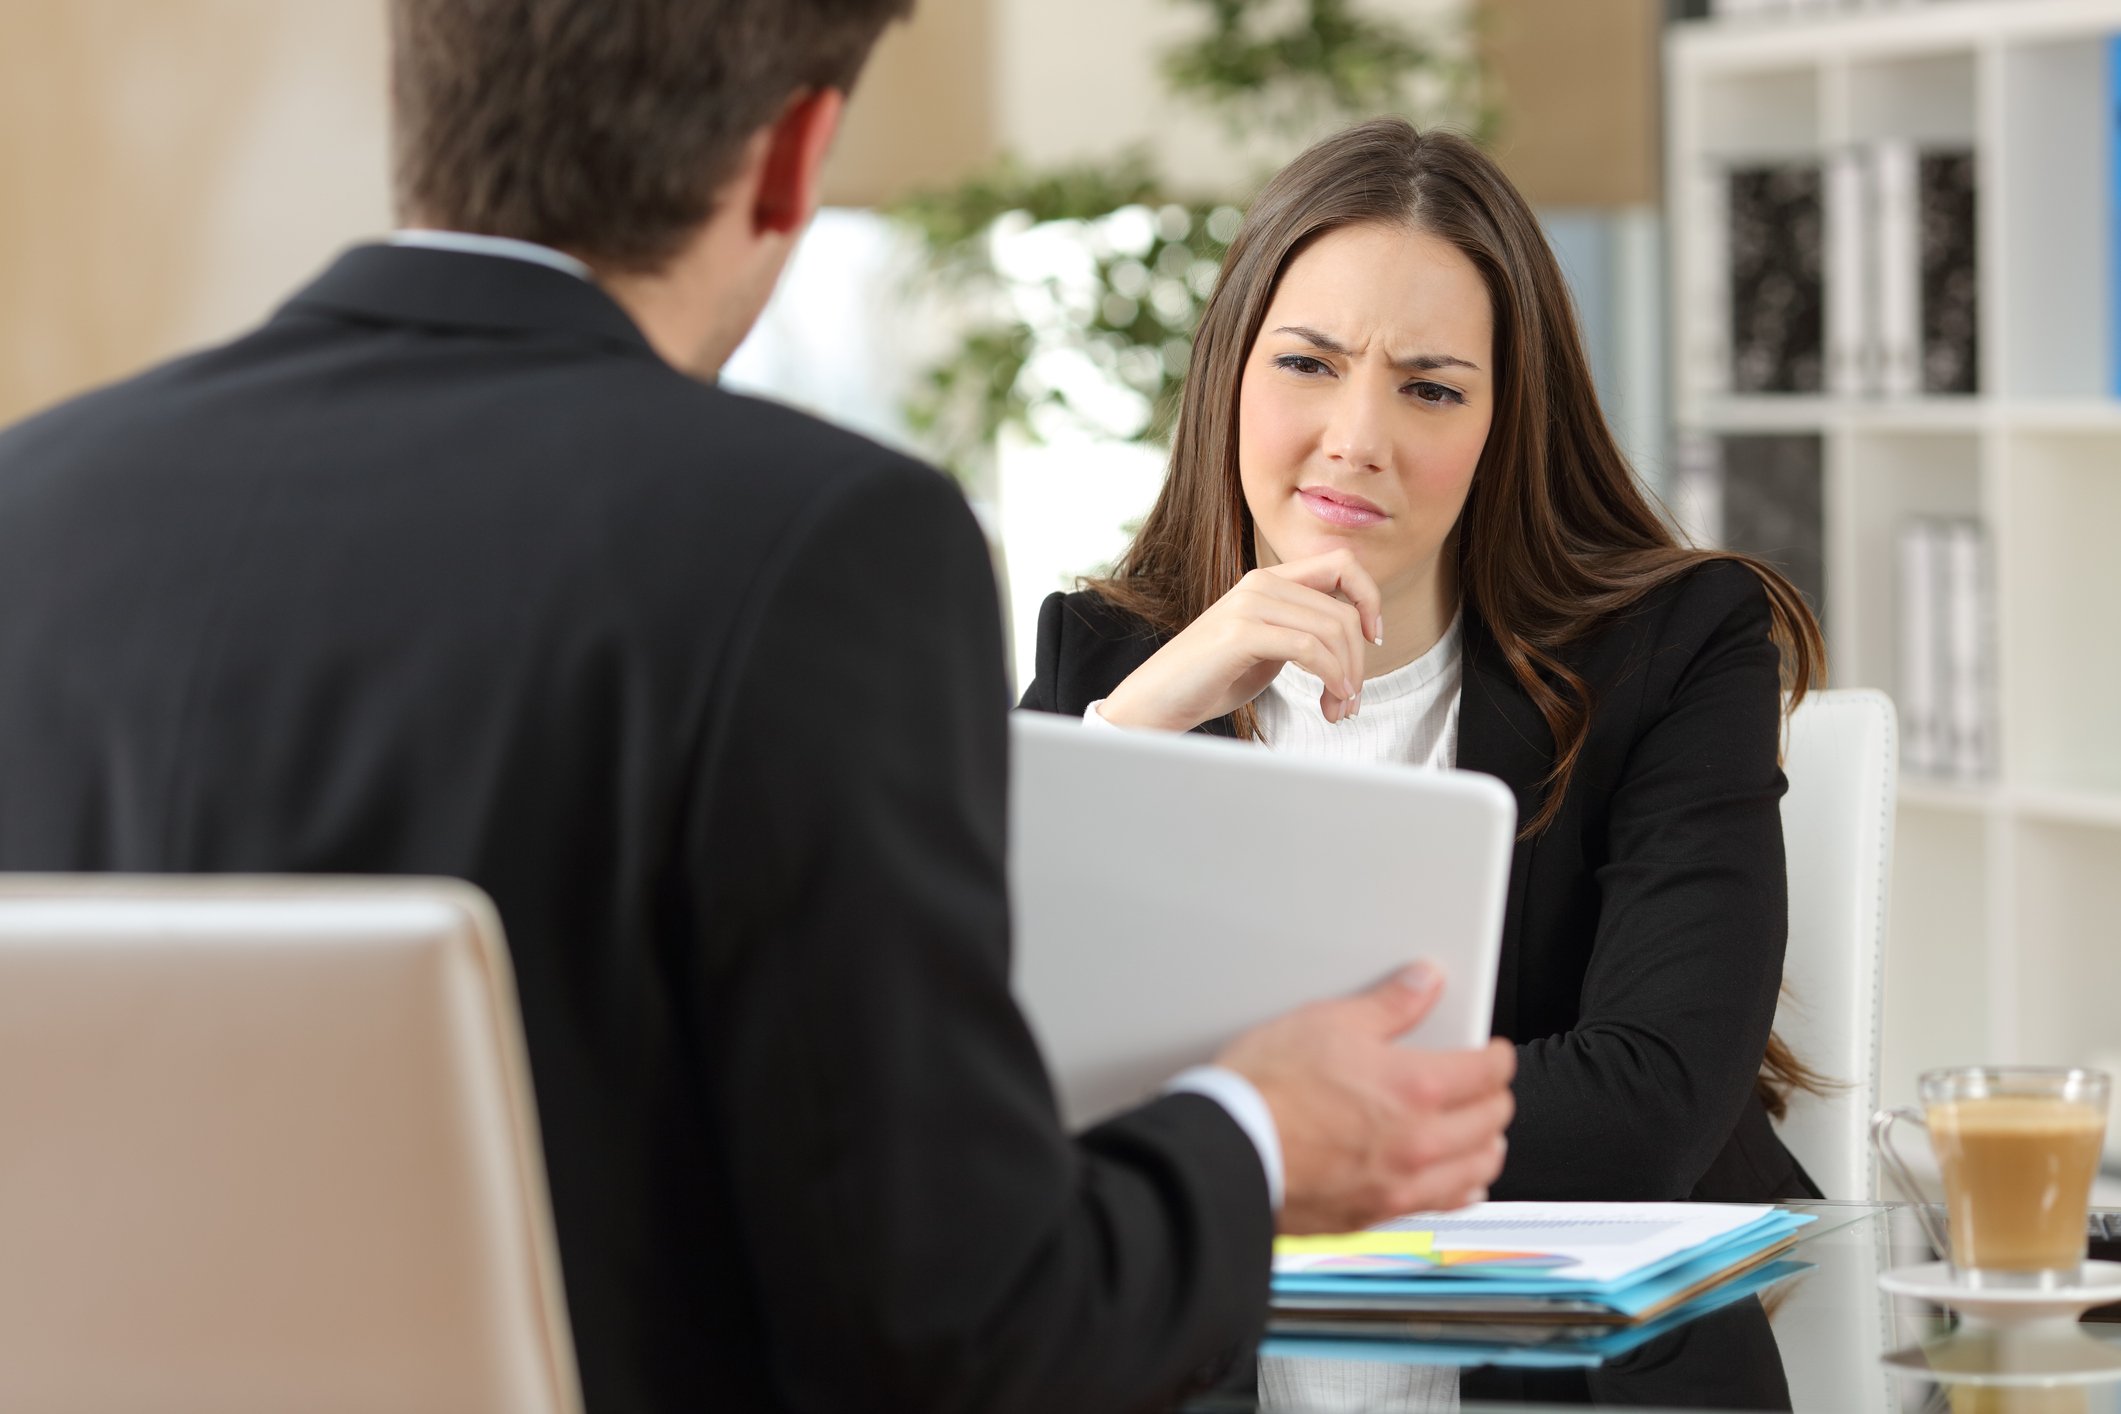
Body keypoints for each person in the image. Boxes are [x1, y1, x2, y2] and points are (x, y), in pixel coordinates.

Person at [0, 5, 1517, 1411]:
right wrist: (1251, 1135)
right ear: (792, 156)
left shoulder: (36, 506)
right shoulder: (817, 546)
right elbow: (948, 1326)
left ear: (417, 104)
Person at [1021, 118, 1829, 1204]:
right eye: (1309, 363)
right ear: (1229, 374)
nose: (1358, 437)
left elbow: (1648, 1108)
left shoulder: (1673, 651)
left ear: (1507, 422)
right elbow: (965, 1079)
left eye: (1431, 388)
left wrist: (1237, 1129)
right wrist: (1127, 736)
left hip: (1560, 1367)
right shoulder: (1106, 672)